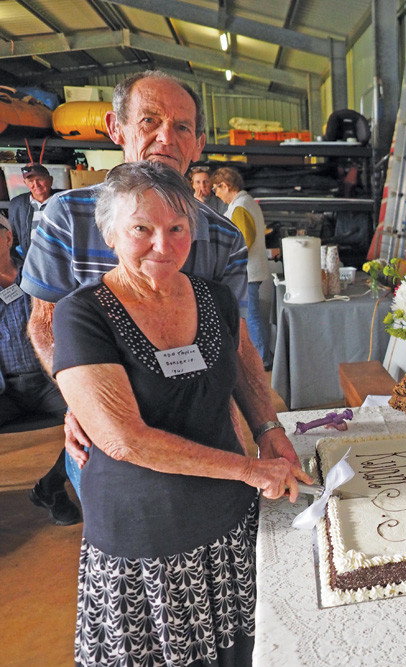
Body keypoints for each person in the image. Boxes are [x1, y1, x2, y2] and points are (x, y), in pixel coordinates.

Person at [53, 161, 301, 665]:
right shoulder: (83, 313)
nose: (162, 245)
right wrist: (250, 469)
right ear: (111, 234)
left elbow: (243, 370)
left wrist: (269, 428)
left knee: (240, 651)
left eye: (176, 228)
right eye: (141, 229)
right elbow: (125, 439)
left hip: (229, 518)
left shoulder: (212, 297)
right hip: (147, 536)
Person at [20, 70, 304, 485]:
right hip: (111, 441)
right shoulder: (65, 217)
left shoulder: (223, 236)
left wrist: (266, 427)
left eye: (182, 126)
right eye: (150, 120)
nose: (166, 137)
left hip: (208, 436)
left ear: (198, 143)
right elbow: (44, 324)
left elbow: (237, 341)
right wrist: (84, 400)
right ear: (116, 128)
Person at [0, 214, 77, 525]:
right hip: (6, 389)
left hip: (48, 381)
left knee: (95, 420)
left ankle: (52, 486)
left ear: (7, 238)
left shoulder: (39, 271)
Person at [211, 166, 271, 367]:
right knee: (252, 316)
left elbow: (244, 240)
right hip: (252, 270)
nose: (217, 194)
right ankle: (262, 356)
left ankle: (262, 359)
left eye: (216, 189)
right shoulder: (246, 203)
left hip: (247, 271)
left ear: (225, 186)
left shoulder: (240, 206)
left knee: (251, 317)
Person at [7, 162, 62, 259]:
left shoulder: (64, 200)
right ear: (25, 183)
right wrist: (22, 268)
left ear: (50, 180)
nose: (36, 185)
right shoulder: (17, 205)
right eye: (30, 181)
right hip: (32, 266)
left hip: (62, 264)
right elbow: (12, 241)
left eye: (40, 179)